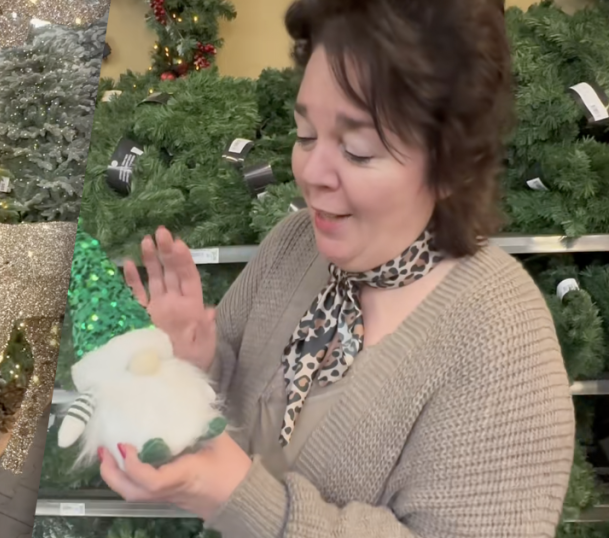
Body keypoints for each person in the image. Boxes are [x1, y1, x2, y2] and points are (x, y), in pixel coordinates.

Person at [99, 0, 576, 536]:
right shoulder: (292, 245)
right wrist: (191, 366)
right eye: (305, 134)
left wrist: (244, 500)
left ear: (452, 164)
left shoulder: (502, 339)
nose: (312, 172)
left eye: (358, 150)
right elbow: (228, 408)